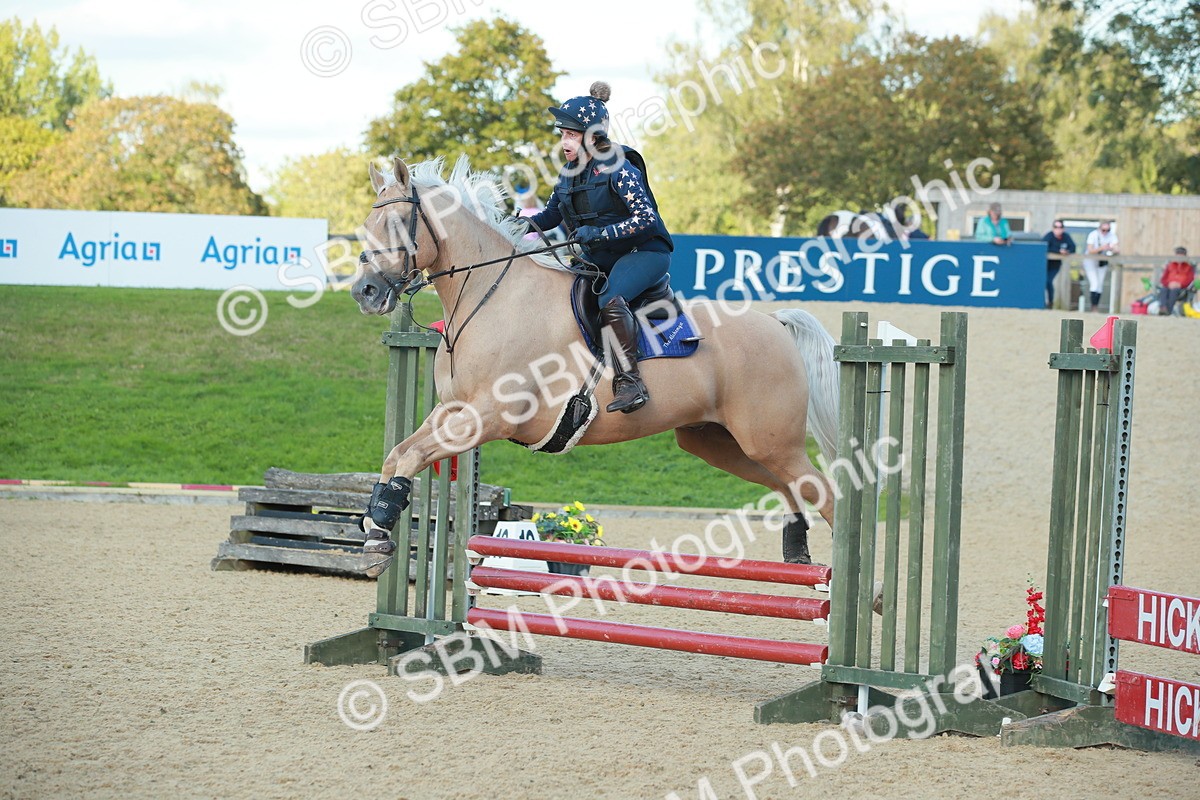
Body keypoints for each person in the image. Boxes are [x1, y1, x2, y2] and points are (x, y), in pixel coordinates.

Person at [520, 81, 673, 415]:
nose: (563, 142)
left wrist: (599, 233)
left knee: (609, 298)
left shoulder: (620, 168)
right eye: (562, 134)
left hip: (644, 253)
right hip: (601, 258)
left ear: (592, 136)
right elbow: (548, 215)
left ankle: (631, 383)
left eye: (570, 135)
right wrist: (515, 226)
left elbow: (646, 218)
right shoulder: (567, 175)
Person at [1083, 220, 1119, 311]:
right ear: (1100, 229)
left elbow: (1117, 249)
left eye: (1108, 230)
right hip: (1091, 261)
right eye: (1103, 230)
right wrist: (1102, 248)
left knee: (1099, 285)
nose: (1105, 232)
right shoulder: (1093, 235)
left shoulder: (1112, 236)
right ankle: (1093, 307)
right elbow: (1090, 250)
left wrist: (1111, 249)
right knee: (1094, 283)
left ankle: (1096, 307)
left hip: (1102, 262)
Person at [1041, 220, 1076, 309]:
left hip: (1055, 265)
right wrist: (1058, 251)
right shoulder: (1049, 236)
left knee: (1049, 281)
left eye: (1060, 227)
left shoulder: (1066, 237)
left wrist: (1067, 251)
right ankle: (1044, 302)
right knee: (1043, 282)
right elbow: (1043, 246)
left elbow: (1073, 247)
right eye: (1056, 227)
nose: (1058, 229)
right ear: (1053, 228)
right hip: (1044, 264)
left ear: (1063, 229)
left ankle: (1051, 302)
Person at [1157, 247, 1195, 316]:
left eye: (1181, 254)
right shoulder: (1170, 265)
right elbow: (1163, 279)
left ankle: (1168, 311)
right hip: (1169, 286)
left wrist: (1180, 285)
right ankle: (1163, 308)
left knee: (1174, 291)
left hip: (1181, 288)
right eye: (1178, 254)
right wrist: (1169, 284)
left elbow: (1190, 280)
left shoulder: (1189, 267)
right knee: (1163, 290)